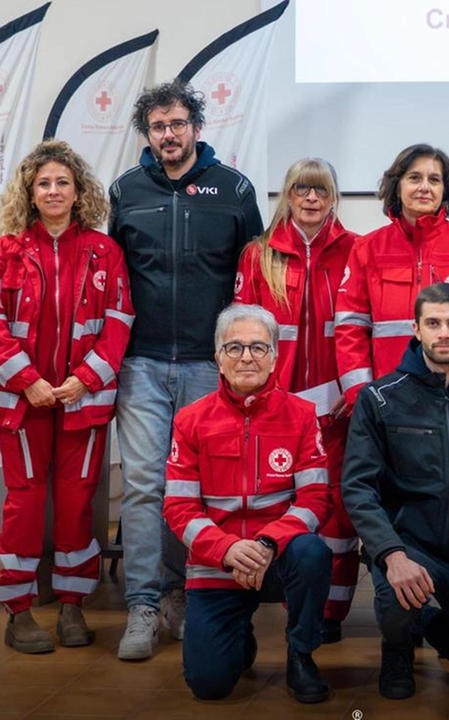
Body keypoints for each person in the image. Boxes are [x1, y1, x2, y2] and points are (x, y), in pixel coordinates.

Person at [108, 80, 264, 661]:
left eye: (177, 124)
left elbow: (254, 277)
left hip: (210, 366)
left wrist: (244, 358)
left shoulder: (235, 189)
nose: (168, 135)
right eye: (157, 127)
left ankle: (191, 595)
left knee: (202, 488)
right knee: (146, 487)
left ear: (196, 127)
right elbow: (111, 277)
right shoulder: (125, 190)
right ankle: (144, 605)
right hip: (142, 364)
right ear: (146, 135)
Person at [0, 140, 134, 653]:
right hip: (24, 403)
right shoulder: (7, 249)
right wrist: (29, 381)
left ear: (78, 190)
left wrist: (86, 377)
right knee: (23, 504)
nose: (53, 190)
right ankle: (18, 611)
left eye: (62, 181)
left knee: (77, 504)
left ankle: (72, 605)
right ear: (29, 192)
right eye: (43, 183)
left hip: (82, 400)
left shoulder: (104, 251)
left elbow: (119, 320)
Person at [342, 283, 449, 700]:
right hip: (408, 544)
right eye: (432, 323)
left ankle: (427, 624)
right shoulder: (379, 398)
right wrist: (391, 553)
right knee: (399, 593)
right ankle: (397, 645)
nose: (443, 333)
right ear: (416, 329)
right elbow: (357, 487)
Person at [163, 304, 333, 703]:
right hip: (216, 562)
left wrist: (267, 543)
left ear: (275, 356)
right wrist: (227, 550)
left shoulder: (303, 415)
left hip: (277, 557)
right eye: (234, 347)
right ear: (218, 358)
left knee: (313, 552)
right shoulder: (190, 420)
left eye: (258, 347)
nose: (246, 358)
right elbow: (178, 509)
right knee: (208, 686)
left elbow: (315, 498)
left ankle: (302, 654)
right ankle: (239, 633)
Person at [234, 158, 358, 642]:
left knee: (339, 510)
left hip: (340, 409)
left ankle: (332, 614)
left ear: (333, 198)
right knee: (288, 511)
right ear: (287, 195)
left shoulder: (357, 251)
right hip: (279, 410)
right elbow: (242, 335)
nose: (311, 199)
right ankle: (298, 611)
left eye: (321, 191)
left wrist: (352, 390)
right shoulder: (257, 255)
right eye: (301, 190)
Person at [334, 144, 449, 408]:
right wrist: (361, 395)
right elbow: (350, 328)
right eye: (415, 178)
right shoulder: (367, 249)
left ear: (444, 190)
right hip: (387, 398)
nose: (425, 187)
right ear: (397, 185)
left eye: (434, 180)